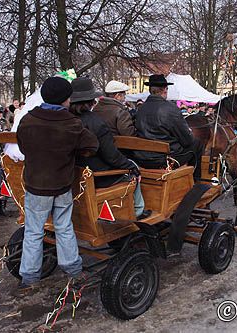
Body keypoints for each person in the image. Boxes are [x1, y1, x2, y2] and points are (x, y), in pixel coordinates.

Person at [16, 76, 99, 292]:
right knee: (64, 227)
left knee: (33, 231)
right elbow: (92, 145)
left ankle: (29, 277)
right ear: (65, 100)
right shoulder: (72, 123)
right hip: (62, 185)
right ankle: (73, 271)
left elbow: (23, 147)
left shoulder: (28, 119)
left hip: (36, 185)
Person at [70, 77, 151, 220]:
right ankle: (138, 210)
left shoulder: (66, 118)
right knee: (134, 168)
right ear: (90, 101)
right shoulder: (95, 122)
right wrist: (130, 166)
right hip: (96, 175)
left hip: (75, 172)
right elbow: (111, 156)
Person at [134, 74, 204, 180]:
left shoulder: (140, 109)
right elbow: (187, 141)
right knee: (197, 143)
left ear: (150, 90)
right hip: (163, 159)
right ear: (165, 90)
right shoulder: (171, 109)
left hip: (142, 158)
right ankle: (195, 181)